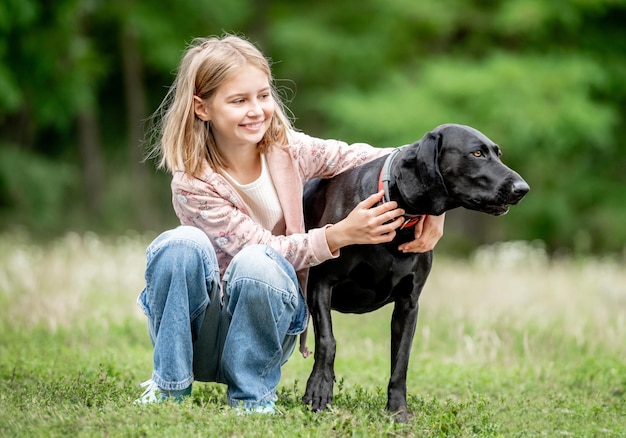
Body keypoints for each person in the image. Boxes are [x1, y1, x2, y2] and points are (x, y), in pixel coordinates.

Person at [134, 33, 445, 414]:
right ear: (202, 108)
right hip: (201, 332)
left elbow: (378, 157)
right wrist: (340, 234)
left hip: (264, 328)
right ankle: (169, 386)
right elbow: (261, 246)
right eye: (238, 100)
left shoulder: (289, 151)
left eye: (263, 95)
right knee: (180, 244)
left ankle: (252, 398)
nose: (256, 110)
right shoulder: (192, 182)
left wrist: (434, 202)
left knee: (257, 267)